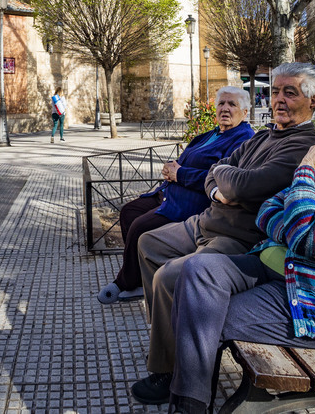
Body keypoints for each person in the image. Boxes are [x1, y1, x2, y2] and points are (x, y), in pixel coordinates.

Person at [149, 81, 315, 413]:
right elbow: (268, 211)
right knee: (198, 269)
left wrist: (303, 175)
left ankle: (187, 407)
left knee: (201, 311)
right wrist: (307, 241)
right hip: (288, 273)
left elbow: (310, 234)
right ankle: (190, 404)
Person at [131, 62, 315, 405]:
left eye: (289, 93)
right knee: (148, 242)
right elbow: (213, 174)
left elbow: (249, 185)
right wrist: (221, 187)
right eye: (275, 91)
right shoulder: (265, 134)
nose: (278, 99)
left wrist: (227, 180)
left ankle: (173, 371)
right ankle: (168, 335)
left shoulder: (303, 144)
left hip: (238, 237)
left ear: (314, 100)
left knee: (169, 278)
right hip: (207, 220)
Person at [97, 87, 256, 304]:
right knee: (129, 212)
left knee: (141, 226)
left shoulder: (243, 139)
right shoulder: (211, 134)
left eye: (232, 104)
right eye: (221, 104)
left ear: (245, 112)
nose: (225, 109)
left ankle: (129, 282)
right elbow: (183, 160)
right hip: (170, 192)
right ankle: (140, 277)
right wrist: (170, 170)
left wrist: (179, 173)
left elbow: (220, 179)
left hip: (191, 202)